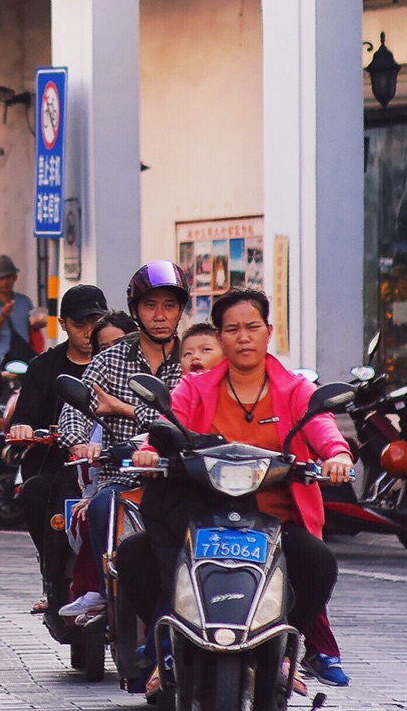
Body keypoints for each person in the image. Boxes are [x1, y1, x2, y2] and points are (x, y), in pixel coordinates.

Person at [139, 289, 356, 685]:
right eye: (233, 329)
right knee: (135, 556)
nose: (243, 337)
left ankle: (282, 649)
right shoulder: (195, 388)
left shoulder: (294, 389)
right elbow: (169, 425)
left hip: (272, 521)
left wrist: (337, 455)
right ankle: (165, 653)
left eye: (252, 327)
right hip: (203, 518)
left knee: (318, 563)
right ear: (220, 338)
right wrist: (152, 451)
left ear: (268, 332)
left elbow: (321, 425)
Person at [56, 262, 196, 622]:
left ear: (181, 311)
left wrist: (125, 409)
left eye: (169, 306)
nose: (160, 315)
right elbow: (77, 408)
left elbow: (182, 423)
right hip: (123, 475)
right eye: (151, 306)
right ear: (135, 310)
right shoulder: (109, 359)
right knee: (102, 508)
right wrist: (78, 442)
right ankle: (106, 591)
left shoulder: (195, 359)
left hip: (185, 477)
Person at [4, 283, 109, 614]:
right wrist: (23, 427)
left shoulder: (117, 365)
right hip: (58, 466)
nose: (89, 332)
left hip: (112, 467)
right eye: (80, 324)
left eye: (97, 323)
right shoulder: (43, 367)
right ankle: (52, 577)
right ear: (63, 324)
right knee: (36, 495)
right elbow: (24, 415)